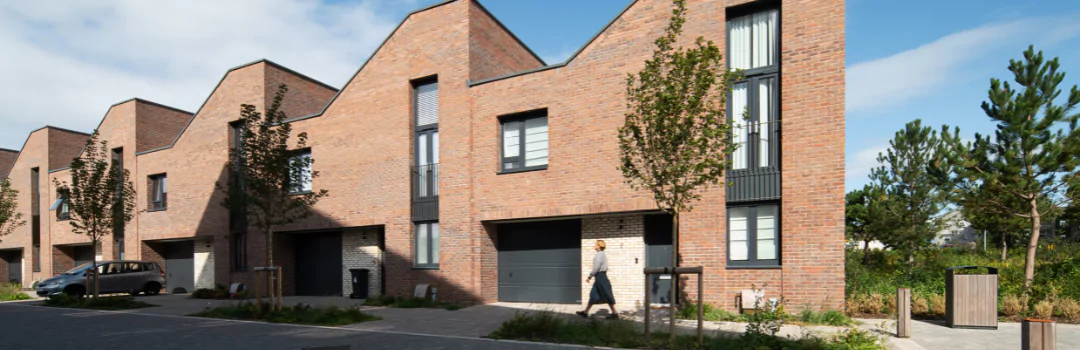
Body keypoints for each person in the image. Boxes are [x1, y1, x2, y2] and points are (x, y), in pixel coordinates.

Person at [577, 240, 618, 319]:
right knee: (593, 294)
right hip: (600, 276)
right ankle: (585, 312)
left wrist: (590, 276)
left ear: (599, 246)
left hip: (600, 277)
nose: (594, 246)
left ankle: (615, 313)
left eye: (596, 244)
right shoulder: (602, 254)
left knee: (607, 293)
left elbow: (597, 267)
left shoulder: (599, 254)